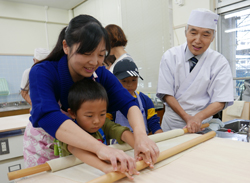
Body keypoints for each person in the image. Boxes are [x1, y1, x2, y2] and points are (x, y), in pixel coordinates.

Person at [23, 15, 159, 173]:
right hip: (45, 150)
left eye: (101, 55)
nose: (94, 62)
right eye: (87, 53)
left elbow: (128, 103)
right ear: (66, 46)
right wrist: (100, 148)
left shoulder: (100, 74)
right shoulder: (43, 71)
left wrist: (141, 136)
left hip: (85, 151)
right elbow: (48, 115)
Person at [156, 8, 234, 133]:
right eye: (193, 33)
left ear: (212, 38)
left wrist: (198, 117)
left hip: (202, 125)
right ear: (186, 33)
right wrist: (187, 118)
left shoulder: (219, 62)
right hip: (173, 126)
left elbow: (221, 99)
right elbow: (166, 93)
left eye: (205, 35)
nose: (198, 40)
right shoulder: (170, 56)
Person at [54, 78, 139, 180]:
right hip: (75, 177)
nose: (97, 121)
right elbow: (74, 148)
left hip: (104, 176)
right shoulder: (68, 131)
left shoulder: (103, 125)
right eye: (89, 116)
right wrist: (106, 167)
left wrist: (138, 147)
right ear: (72, 113)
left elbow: (122, 132)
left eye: (102, 114)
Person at [108, 59, 163, 135]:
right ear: (115, 80)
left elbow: (153, 123)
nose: (129, 84)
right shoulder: (111, 101)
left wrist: (160, 135)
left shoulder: (146, 100)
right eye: (124, 81)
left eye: (133, 80)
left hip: (142, 141)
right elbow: (108, 127)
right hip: (119, 144)